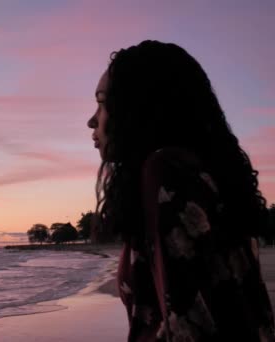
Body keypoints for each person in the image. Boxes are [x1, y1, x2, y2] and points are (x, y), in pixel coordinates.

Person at [87, 40, 275, 341]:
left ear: (137, 108)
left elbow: (188, 324)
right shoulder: (200, 176)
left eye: (102, 102)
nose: (92, 120)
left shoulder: (166, 174)